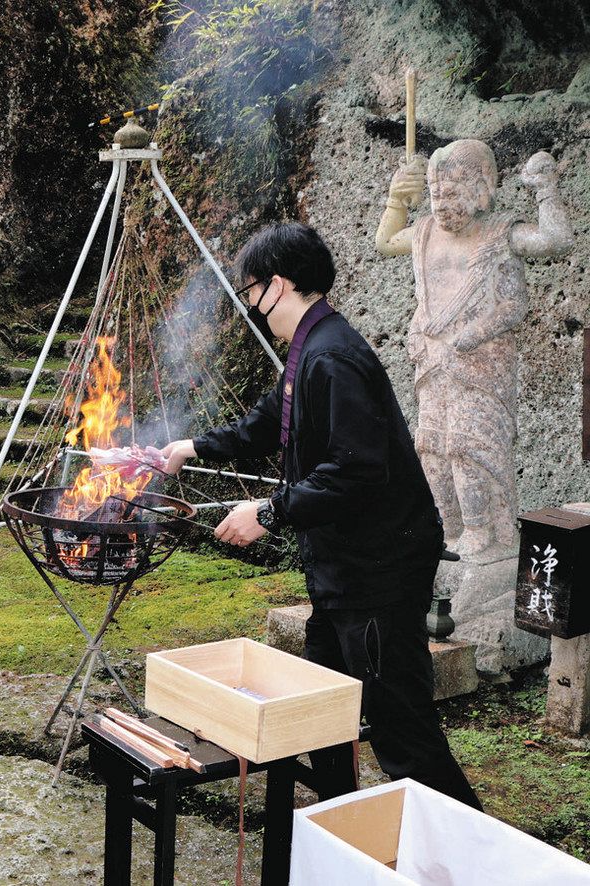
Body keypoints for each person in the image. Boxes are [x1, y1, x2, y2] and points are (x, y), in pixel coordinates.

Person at [162, 222, 481, 808]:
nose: (251, 305)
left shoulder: (333, 356)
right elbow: (270, 421)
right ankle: (335, 825)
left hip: (378, 571)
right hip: (344, 570)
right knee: (322, 707)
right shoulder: (311, 346)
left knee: (401, 727)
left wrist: (269, 510)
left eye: (251, 291)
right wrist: (192, 448)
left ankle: (479, 859)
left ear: (277, 285)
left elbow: (354, 470)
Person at [374, 140, 572, 559]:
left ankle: (486, 535)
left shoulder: (501, 233)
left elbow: (554, 242)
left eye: (453, 192)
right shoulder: (426, 231)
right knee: (430, 444)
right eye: (436, 193)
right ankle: (448, 529)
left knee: (469, 444)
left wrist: (547, 190)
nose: (442, 203)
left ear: (482, 188)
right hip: (432, 357)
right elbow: (386, 240)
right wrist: (396, 197)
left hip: (481, 361)